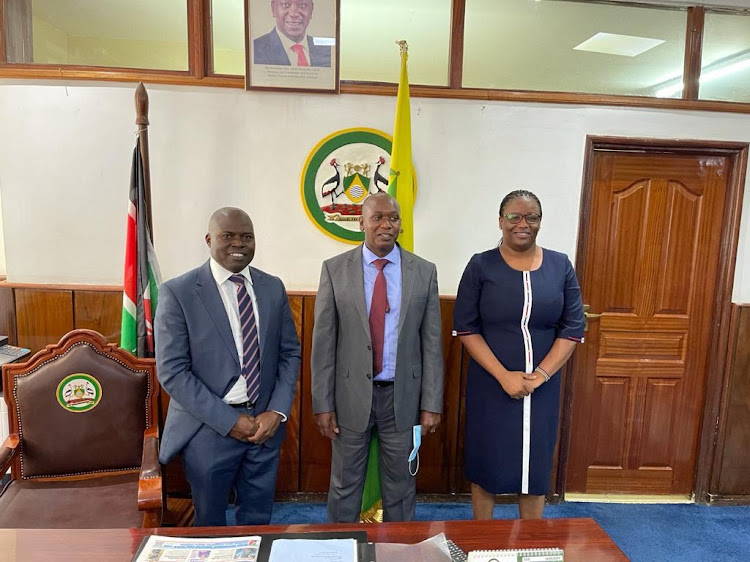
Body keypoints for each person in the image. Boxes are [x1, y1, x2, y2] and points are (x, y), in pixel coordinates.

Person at [155, 207, 301, 526]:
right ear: (209, 240)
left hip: (264, 426)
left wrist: (276, 412)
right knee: (210, 521)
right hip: (207, 427)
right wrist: (229, 420)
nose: (239, 243)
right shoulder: (178, 293)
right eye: (228, 236)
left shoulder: (271, 287)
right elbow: (173, 372)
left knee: (258, 517)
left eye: (247, 237)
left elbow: (290, 354)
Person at [311, 192, 444, 522]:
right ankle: (340, 549)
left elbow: (431, 343)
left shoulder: (423, 272)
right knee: (344, 484)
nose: (387, 224)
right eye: (378, 217)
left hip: (403, 398)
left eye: (394, 218)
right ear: (362, 223)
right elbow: (324, 343)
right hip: (349, 397)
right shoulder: (335, 270)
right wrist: (322, 404)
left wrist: (431, 404)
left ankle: (398, 552)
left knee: (401, 485)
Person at [453, 190, 584, 520]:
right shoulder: (480, 265)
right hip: (491, 383)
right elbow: (466, 328)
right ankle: (482, 542)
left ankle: (531, 542)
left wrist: (540, 376)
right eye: (514, 217)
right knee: (487, 462)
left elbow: (572, 328)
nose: (522, 224)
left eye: (532, 217)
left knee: (535, 467)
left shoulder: (560, 265)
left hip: (543, 387)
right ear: (500, 221)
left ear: (540, 222)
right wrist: (503, 376)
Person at [253, 0, 332, 67]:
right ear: (273, 9)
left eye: (302, 5)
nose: (294, 14)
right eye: (285, 4)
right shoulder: (254, 50)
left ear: (311, 10)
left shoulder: (328, 51)